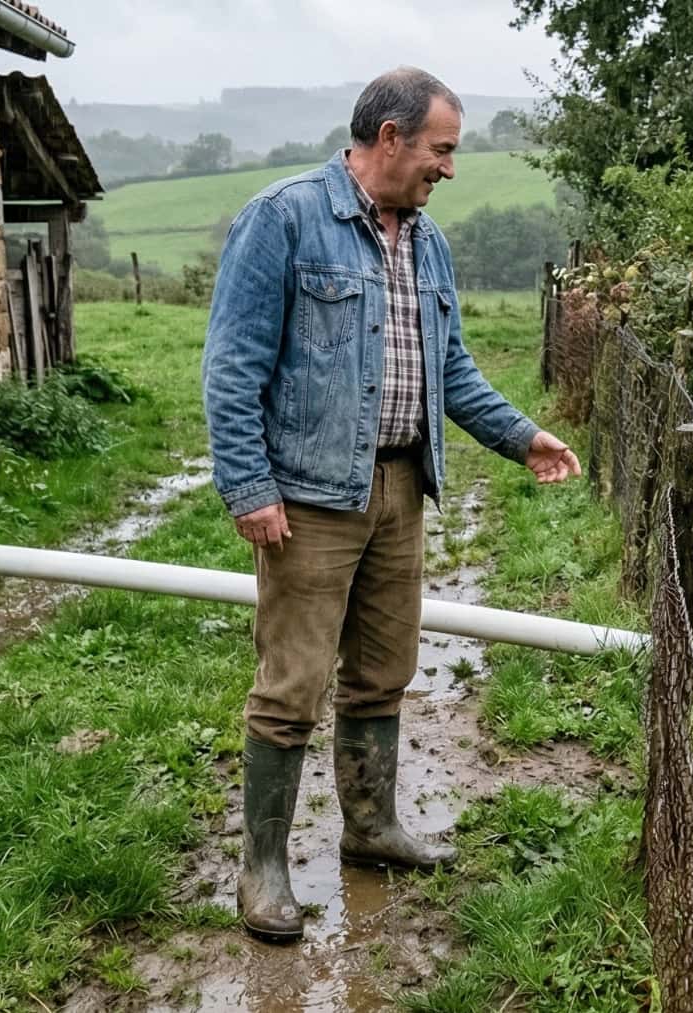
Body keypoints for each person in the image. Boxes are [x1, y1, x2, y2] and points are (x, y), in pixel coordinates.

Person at [201, 66, 581, 942]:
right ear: (390, 140)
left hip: (401, 487)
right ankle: (262, 872)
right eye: (442, 149)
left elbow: (452, 373)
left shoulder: (428, 243)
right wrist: (250, 487)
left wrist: (524, 437)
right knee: (290, 685)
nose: (449, 167)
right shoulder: (285, 219)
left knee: (383, 670)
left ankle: (370, 829)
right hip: (310, 497)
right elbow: (231, 367)